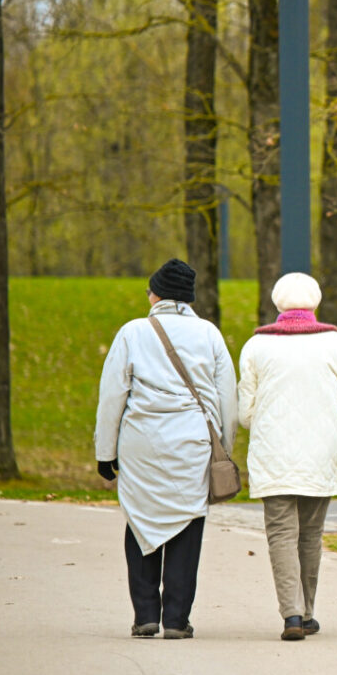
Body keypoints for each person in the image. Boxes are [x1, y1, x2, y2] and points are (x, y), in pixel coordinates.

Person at [95, 258, 236, 640]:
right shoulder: (209, 334)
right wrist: (224, 449)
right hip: (192, 442)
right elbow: (227, 398)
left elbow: (112, 396)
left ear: (156, 294)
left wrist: (105, 453)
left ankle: (145, 615)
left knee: (141, 519)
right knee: (187, 523)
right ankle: (176, 618)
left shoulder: (132, 332)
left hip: (142, 442)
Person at [238, 272, 337, 641]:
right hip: (320, 453)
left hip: (272, 453)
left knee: (281, 533)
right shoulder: (334, 343)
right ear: (315, 302)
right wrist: (329, 427)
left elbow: (245, 410)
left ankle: (291, 615)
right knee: (311, 534)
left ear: (277, 302)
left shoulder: (257, 346)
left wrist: (265, 426)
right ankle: (307, 613)